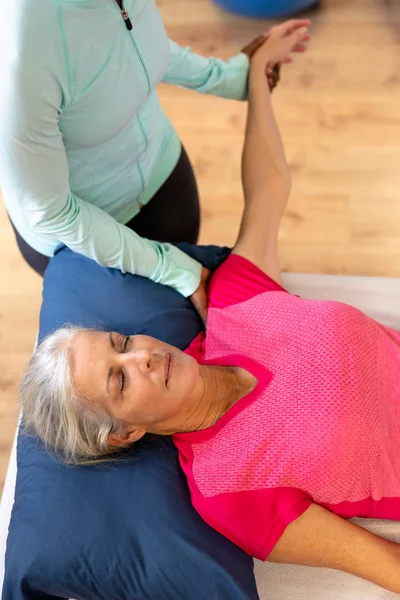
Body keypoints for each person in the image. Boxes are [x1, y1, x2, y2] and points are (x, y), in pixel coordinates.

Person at [20, 20, 400, 594]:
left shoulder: (231, 306)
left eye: (122, 345)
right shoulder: (228, 491)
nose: (143, 358)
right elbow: (384, 564)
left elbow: (269, 189)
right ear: (122, 435)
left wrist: (256, 79)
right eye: (119, 383)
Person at [0, 0, 286, 321]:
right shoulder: (19, 48)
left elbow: (129, 41)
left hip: (160, 173)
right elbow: (51, 211)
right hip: (82, 244)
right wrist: (169, 267)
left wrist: (220, 77)